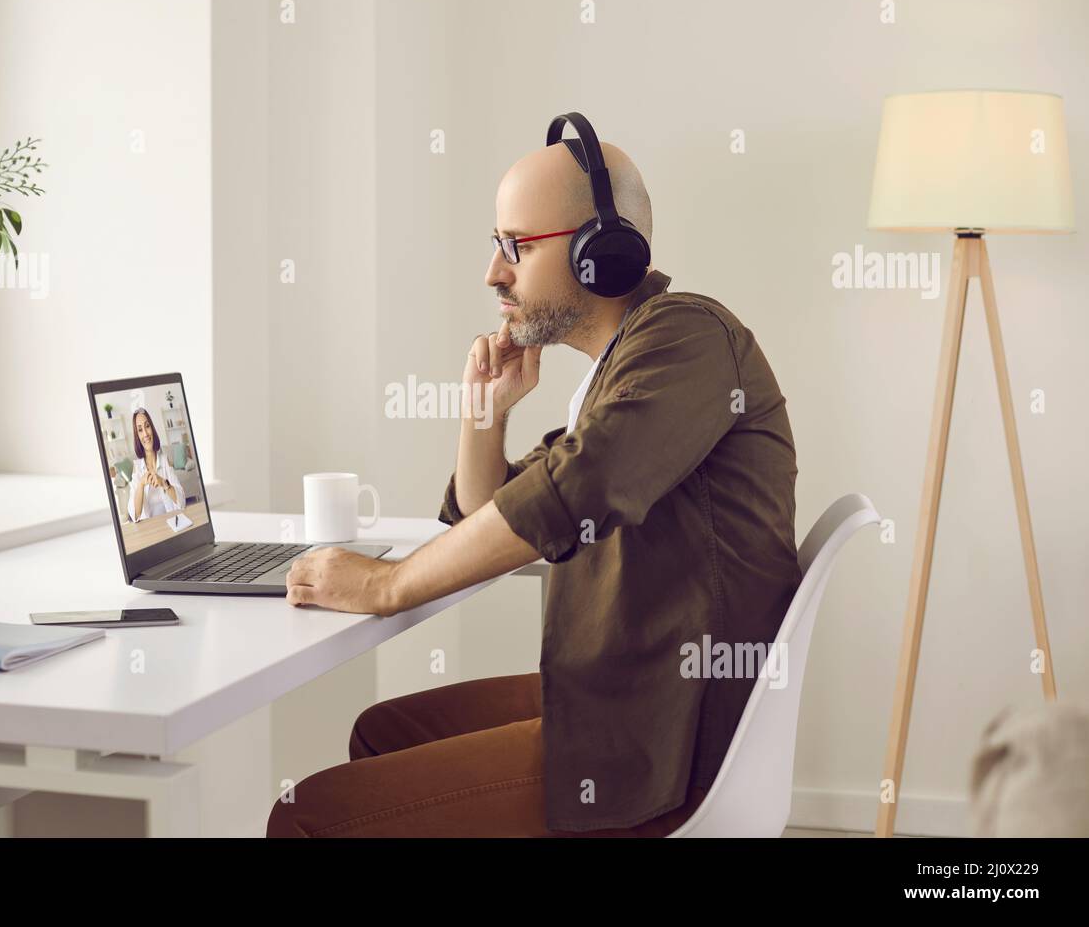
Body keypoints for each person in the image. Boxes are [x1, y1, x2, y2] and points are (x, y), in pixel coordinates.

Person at [268, 126, 801, 837]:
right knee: (384, 731)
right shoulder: (625, 369)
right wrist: (484, 414)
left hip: (665, 740)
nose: (494, 272)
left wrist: (382, 586)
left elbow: (568, 494)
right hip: (630, 694)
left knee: (304, 817)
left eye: (516, 245)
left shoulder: (687, 337)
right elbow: (492, 516)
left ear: (599, 252)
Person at [127, 408, 184, 522]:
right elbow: (135, 515)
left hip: (172, 523)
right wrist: (141, 484)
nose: (145, 434)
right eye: (140, 430)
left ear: (152, 428)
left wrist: (163, 483)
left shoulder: (164, 460)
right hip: (151, 529)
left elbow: (182, 502)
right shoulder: (137, 467)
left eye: (147, 426)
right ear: (137, 436)